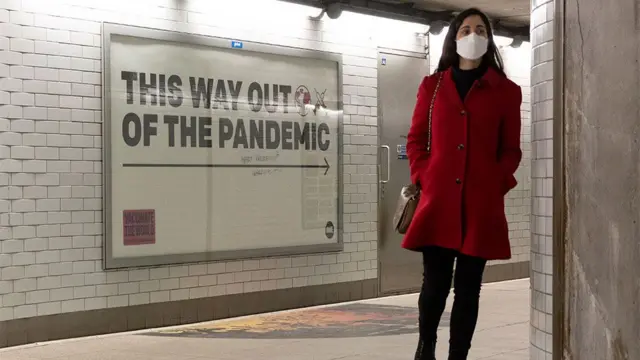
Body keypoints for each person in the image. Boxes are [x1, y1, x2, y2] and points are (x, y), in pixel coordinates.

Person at [402, 8, 523, 360]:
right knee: (435, 286)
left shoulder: (506, 92)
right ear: (454, 37)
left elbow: (511, 150)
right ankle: (426, 349)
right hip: (438, 203)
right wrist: (424, 175)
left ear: (488, 38)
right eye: (466, 29)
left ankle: (459, 356)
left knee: (469, 289)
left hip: (481, 206)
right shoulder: (433, 86)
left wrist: (494, 183)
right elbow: (416, 141)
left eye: (480, 29)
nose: (473, 35)